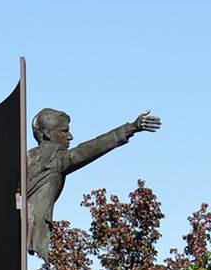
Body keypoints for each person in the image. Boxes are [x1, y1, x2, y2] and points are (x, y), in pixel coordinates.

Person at [26, 107, 161, 259]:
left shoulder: (28, 157)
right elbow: (90, 149)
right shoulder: (55, 159)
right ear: (47, 134)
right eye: (64, 131)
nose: (70, 137)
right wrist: (131, 128)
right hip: (30, 225)